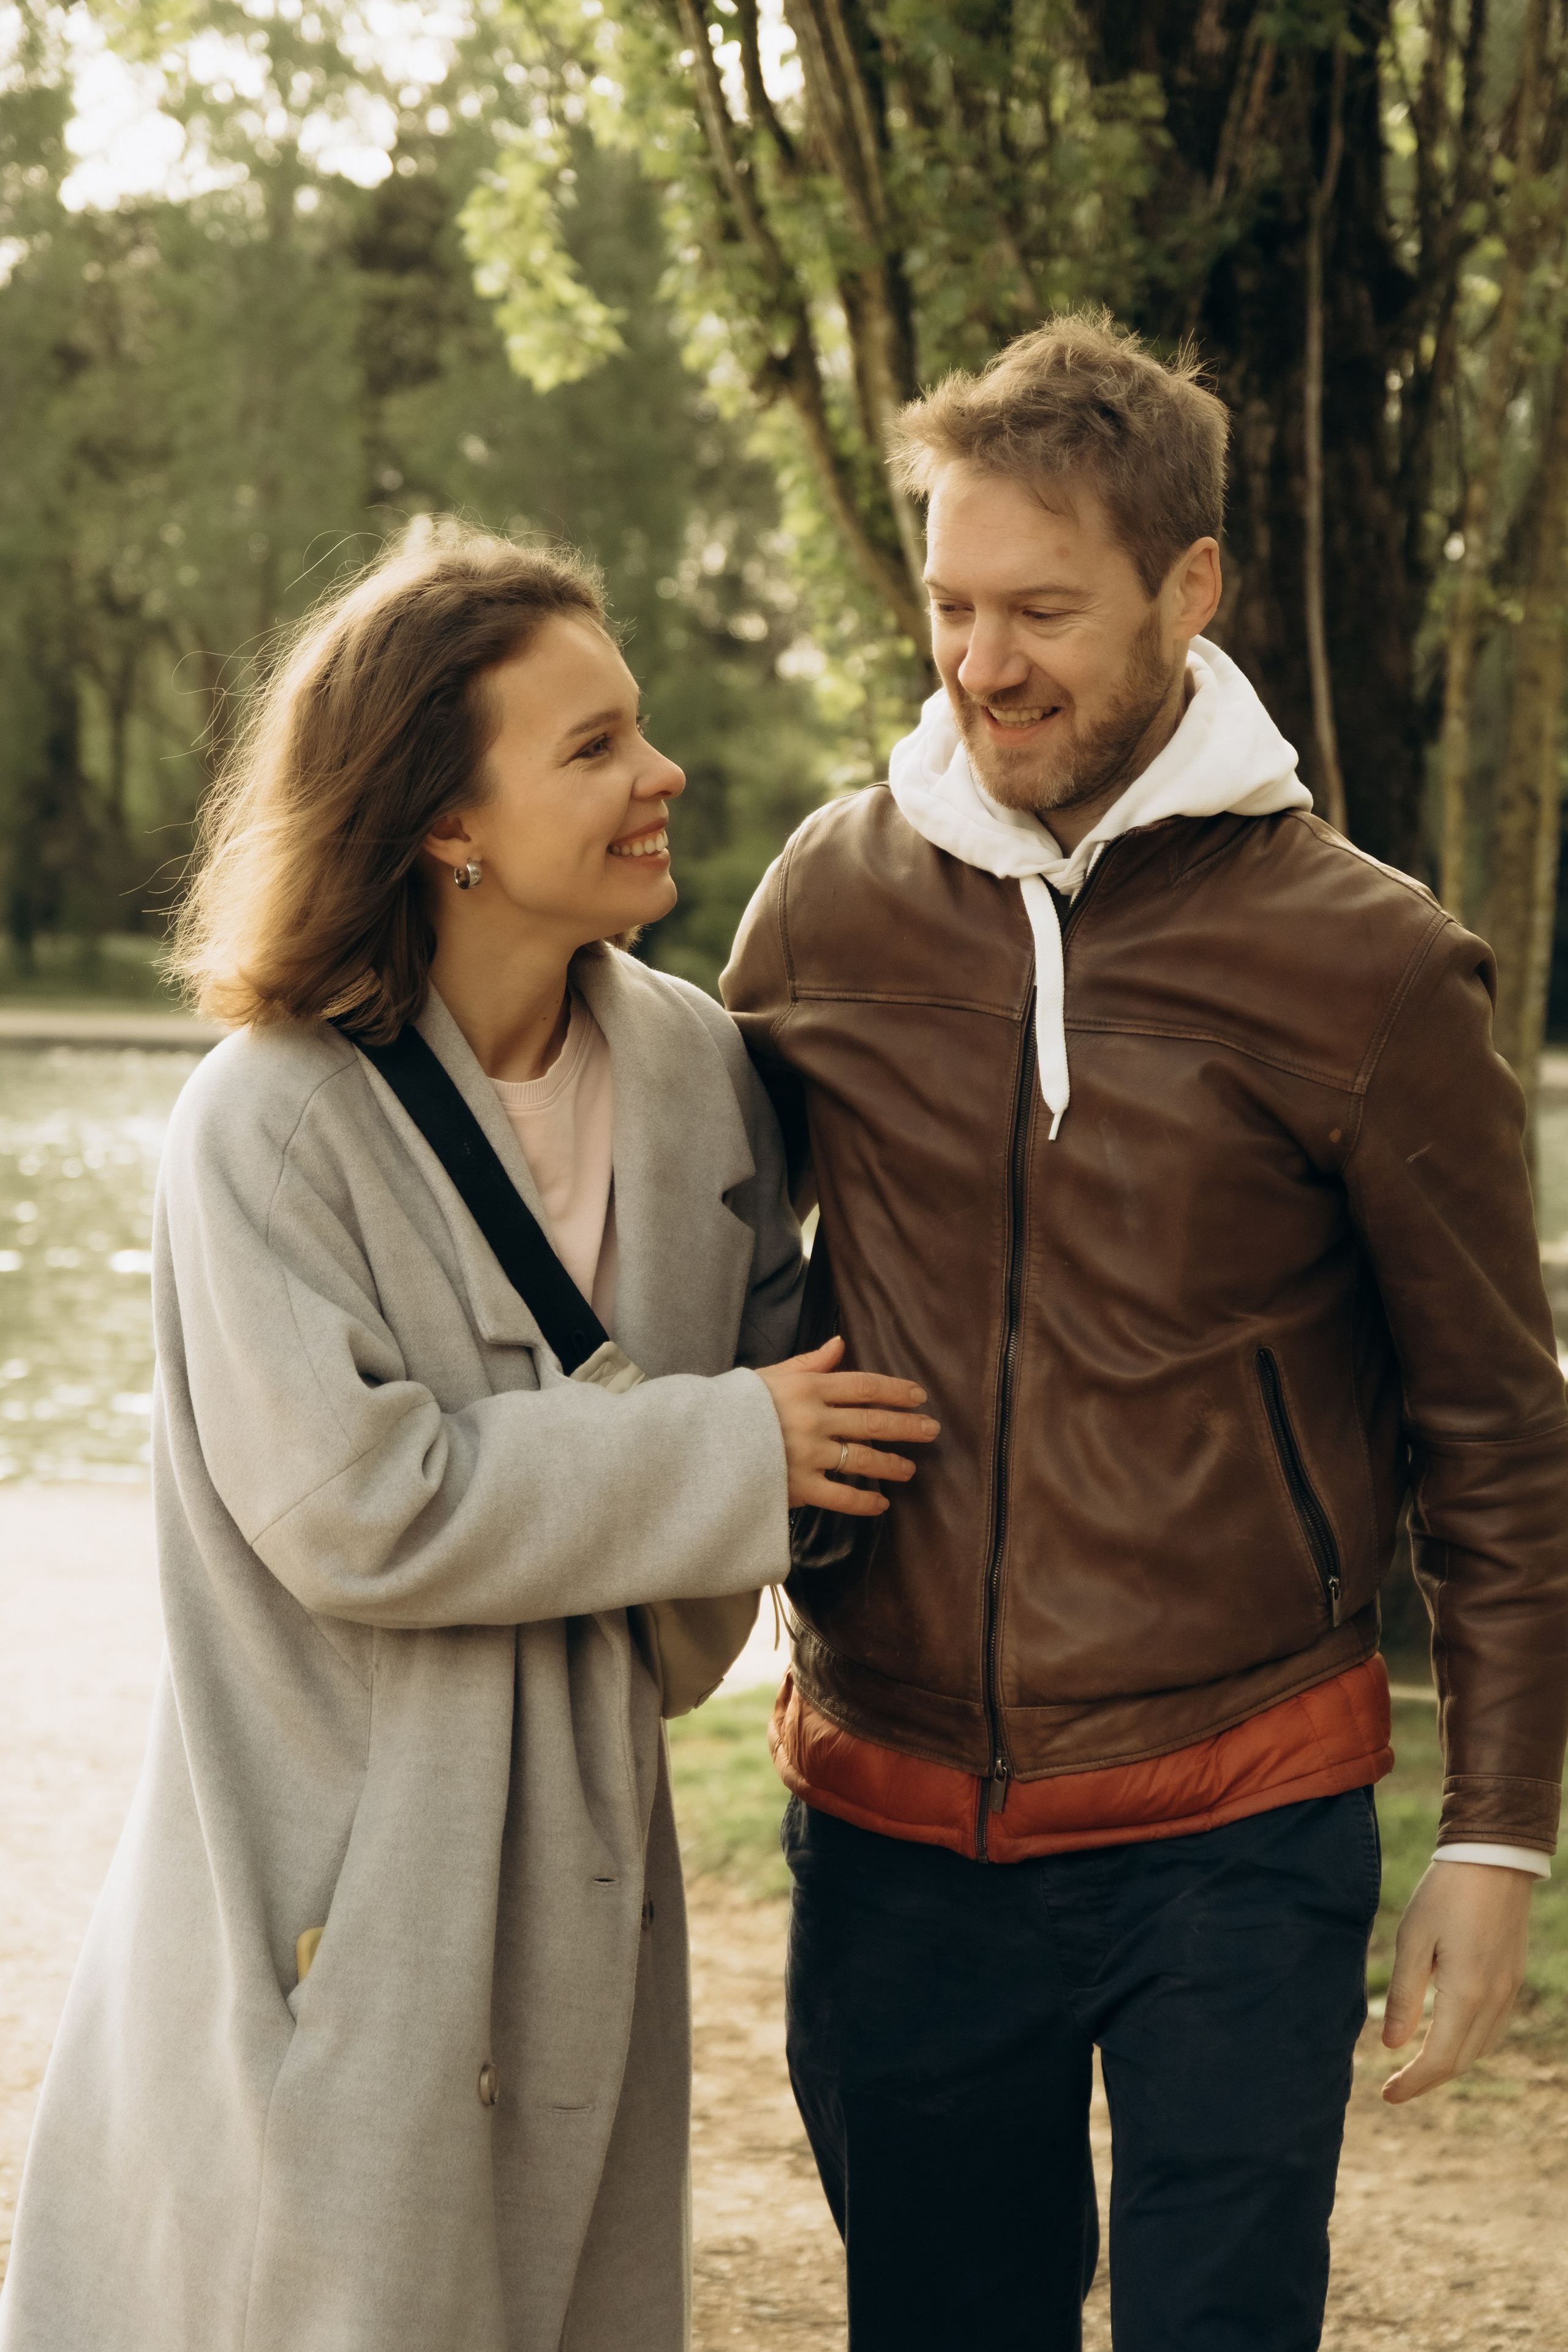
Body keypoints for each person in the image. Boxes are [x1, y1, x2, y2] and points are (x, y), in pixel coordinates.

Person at [723, 313, 1568, 2351]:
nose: (982, 661)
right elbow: (683, 1281)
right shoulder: (827, 911)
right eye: (948, 604)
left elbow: (1503, 1437)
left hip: (1242, 1820)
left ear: (1191, 592)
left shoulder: (1366, 963)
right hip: (892, 1815)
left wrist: (1498, 1837)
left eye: (1042, 609)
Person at [0, 526, 937, 2352]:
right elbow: (357, 1509)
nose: (662, 773)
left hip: (592, 1881)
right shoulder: (266, 1128)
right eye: (593, 747)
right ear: (446, 820)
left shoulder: (700, 1077)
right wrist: (729, 1454)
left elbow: (785, 1446)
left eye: (642, 727)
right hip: (344, 1904)